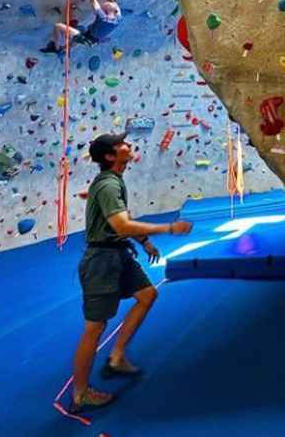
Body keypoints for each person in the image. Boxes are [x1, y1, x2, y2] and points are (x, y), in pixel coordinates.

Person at [70, 132, 193, 413]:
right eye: (121, 145)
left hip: (118, 254)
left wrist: (145, 241)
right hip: (101, 260)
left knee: (147, 295)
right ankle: (80, 394)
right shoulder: (108, 185)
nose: (128, 146)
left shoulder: (113, 182)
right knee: (95, 328)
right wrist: (169, 229)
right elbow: (122, 226)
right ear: (111, 157)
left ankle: (117, 356)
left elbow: (121, 222)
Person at [41, 0, 121, 53]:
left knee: (58, 26)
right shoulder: (118, 16)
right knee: (77, 30)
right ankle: (68, 45)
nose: (106, 3)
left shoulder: (104, 17)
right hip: (92, 35)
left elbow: (93, 0)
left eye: (106, 5)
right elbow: (113, 2)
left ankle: (57, 48)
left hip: (88, 39)